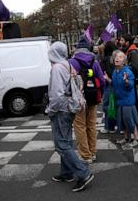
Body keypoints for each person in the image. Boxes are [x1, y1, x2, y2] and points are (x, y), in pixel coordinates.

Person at [46, 41, 94, 192]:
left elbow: (56, 94)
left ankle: (83, 173)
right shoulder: (68, 65)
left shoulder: (57, 68)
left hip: (61, 109)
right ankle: (66, 173)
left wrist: (50, 110)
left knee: (62, 144)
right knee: (66, 141)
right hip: (71, 107)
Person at [69, 35, 105, 164]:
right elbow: (101, 80)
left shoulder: (72, 62)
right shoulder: (94, 61)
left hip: (78, 98)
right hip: (93, 96)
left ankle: (85, 155)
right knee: (91, 125)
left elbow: (68, 81)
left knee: (79, 126)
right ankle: (93, 152)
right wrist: (101, 94)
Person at [105, 50, 138, 148]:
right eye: (116, 57)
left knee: (129, 120)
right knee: (122, 120)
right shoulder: (115, 71)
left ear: (124, 61)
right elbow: (114, 84)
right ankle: (126, 138)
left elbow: (130, 85)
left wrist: (126, 81)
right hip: (119, 100)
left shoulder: (127, 71)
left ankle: (137, 137)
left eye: (120, 57)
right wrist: (107, 79)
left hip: (128, 101)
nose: (117, 58)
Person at [120, 34, 138, 126]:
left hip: (131, 78)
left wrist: (124, 66)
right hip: (128, 78)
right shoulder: (127, 51)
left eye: (122, 40)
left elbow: (134, 67)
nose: (120, 42)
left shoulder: (132, 52)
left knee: (134, 100)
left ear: (127, 42)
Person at [100, 41, 117, 134]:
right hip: (118, 84)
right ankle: (118, 125)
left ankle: (109, 126)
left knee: (108, 106)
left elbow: (102, 72)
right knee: (115, 106)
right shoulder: (117, 58)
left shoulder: (106, 60)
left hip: (109, 84)